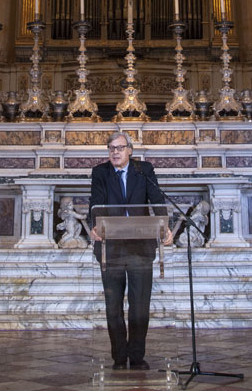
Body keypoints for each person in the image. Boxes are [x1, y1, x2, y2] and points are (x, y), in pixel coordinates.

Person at [89, 131, 171, 371]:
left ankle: (136, 356)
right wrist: (95, 228)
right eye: (111, 148)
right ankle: (119, 357)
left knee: (139, 305)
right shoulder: (100, 173)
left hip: (139, 247)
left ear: (130, 150)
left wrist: (165, 228)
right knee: (113, 306)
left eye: (120, 148)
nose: (115, 152)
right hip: (110, 248)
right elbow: (96, 203)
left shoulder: (143, 170)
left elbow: (157, 201)